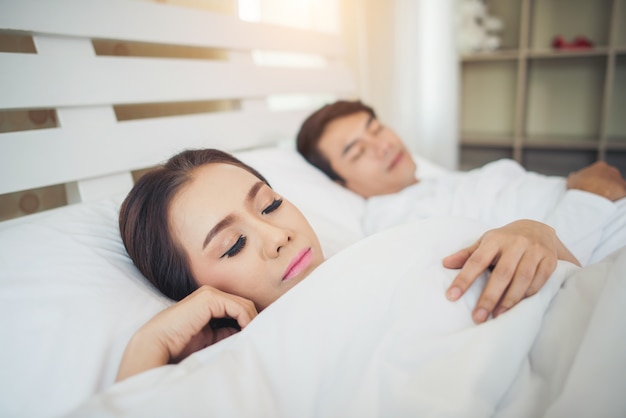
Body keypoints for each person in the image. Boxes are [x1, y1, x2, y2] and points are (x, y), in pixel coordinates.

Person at [116, 148, 580, 381]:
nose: (279, 237)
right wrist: (148, 344)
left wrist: (538, 236)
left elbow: (577, 291)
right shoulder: (247, 367)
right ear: (192, 289)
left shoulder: (377, 249)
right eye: (234, 244)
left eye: (271, 205)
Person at [296, 100, 626, 265]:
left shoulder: (431, 184)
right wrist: (592, 195)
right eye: (358, 151)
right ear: (341, 183)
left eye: (376, 128)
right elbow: (525, 268)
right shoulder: (395, 222)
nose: (383, 145)